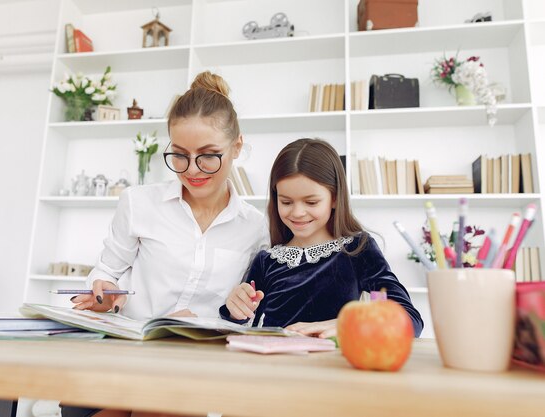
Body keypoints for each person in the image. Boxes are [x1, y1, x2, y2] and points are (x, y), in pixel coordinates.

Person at [62, 72, 267, 417]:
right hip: (133, 349)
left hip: (197, 364)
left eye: (208, 155)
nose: (192, 170)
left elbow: (248, 313)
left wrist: (204, 320)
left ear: (236, 148)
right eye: (180, 155)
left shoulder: (256, 228)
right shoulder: (139, 203)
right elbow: (108, 271)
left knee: (160, 400)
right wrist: (104, 293)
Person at [220, 138, 424, 338]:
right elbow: (241, 324)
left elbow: (409, 320)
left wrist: (350, 324)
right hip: (274, 366)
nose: (298, 212)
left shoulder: (357, 249)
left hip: (333, 367)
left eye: (311, 202)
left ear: (334, 198)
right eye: (286, 202)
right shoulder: (267, 260)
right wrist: (234, 309)